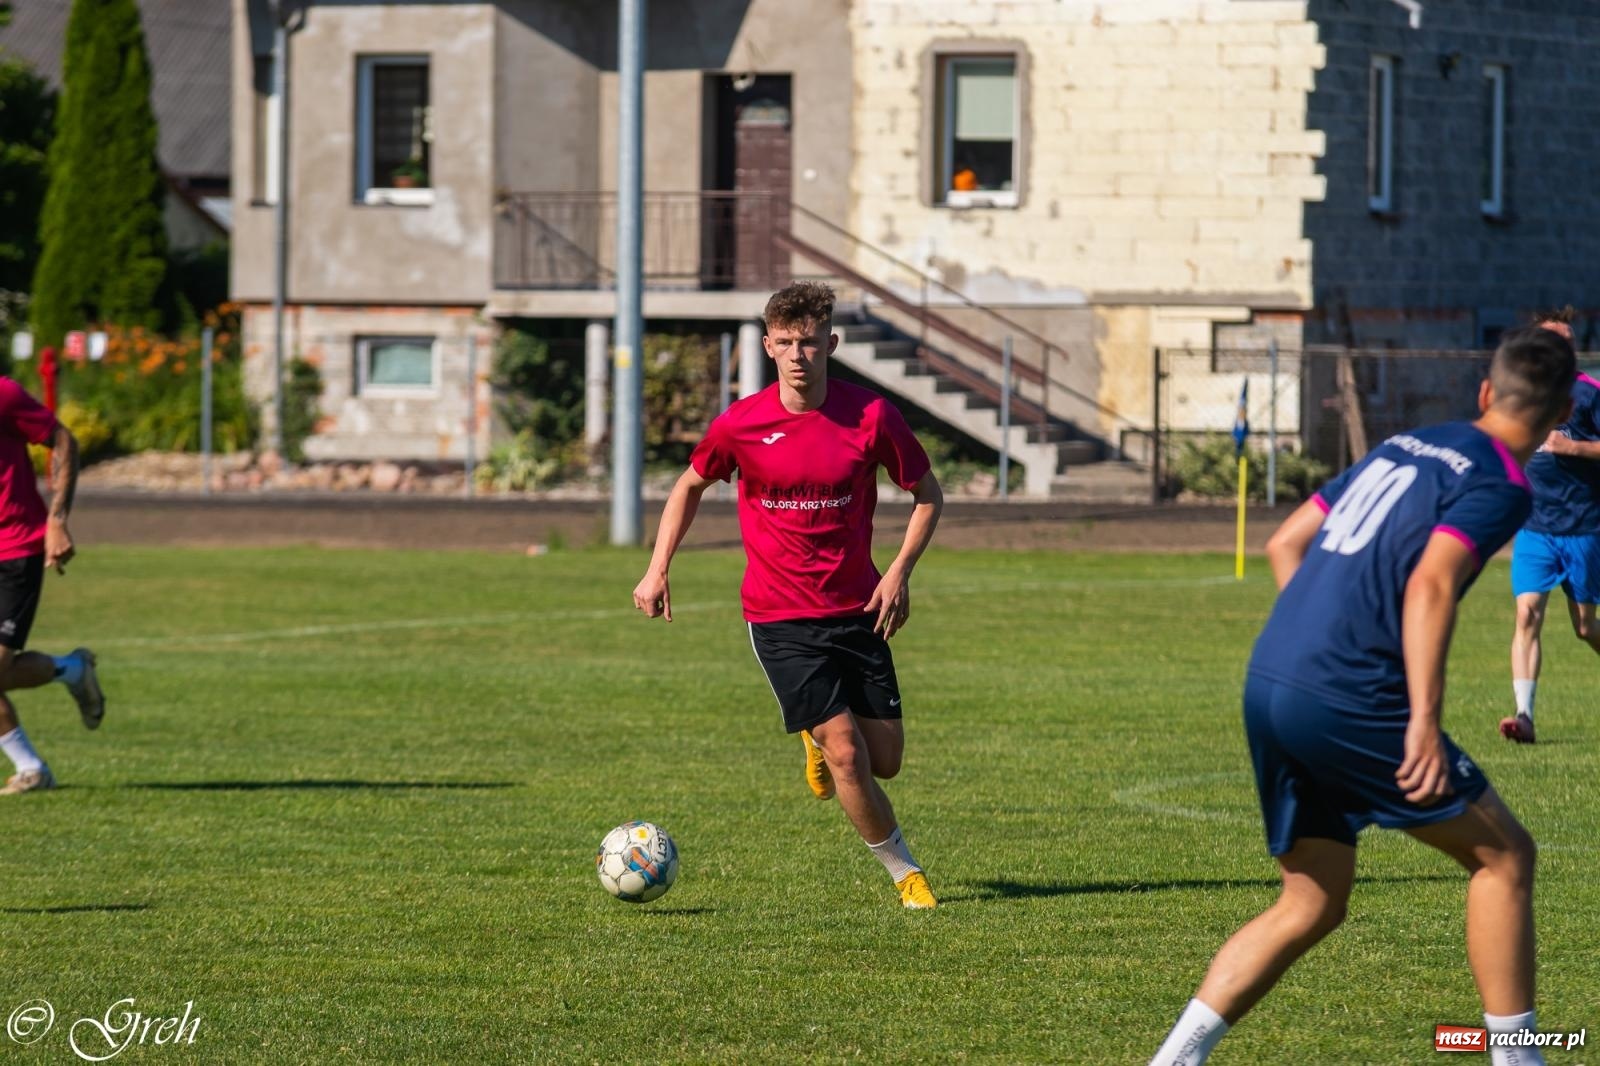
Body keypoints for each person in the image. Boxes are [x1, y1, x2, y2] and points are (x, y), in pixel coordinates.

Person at [1150, 327, 1575, 1066]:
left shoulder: (1404, 444)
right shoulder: (1502, 482)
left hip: (1273, 675)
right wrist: (1423, 720)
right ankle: (1519, 1059)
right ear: (1562, 408)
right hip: (1352, 695)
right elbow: (1431, 583)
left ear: (1484, 392)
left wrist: (1318, 640)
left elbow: (1287, 542)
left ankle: (1174, 1059)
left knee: (1311, 899)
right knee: (1505, 858)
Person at [631, 281, 945, 909]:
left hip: (859, 609)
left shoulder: (871, 417)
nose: (799, 355)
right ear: (769, 346)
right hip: (779, 617)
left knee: (886, 761)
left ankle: (816, 739)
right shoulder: (742, 425)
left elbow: (929, 495)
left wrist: (900, 571)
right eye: (786, 343)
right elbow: (688, 486)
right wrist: (657, 566)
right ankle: (905, 874)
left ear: (830, 343)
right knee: (850, 754)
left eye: (810, 342)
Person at [0, 375, 104, 795]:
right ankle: (72, 669)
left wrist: (56, 520)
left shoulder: (4, 394)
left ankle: (32, 768)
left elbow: (64, 441)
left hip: (15, 550)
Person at [1504, 309, 1600, 743]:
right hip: (1535, 526)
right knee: (1527, 615)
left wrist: (1573, 447)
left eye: (1566, 342)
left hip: (1584, 526)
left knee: (1586, 628)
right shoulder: (1520, 392)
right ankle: (1523, 716)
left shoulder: (1590, 392)